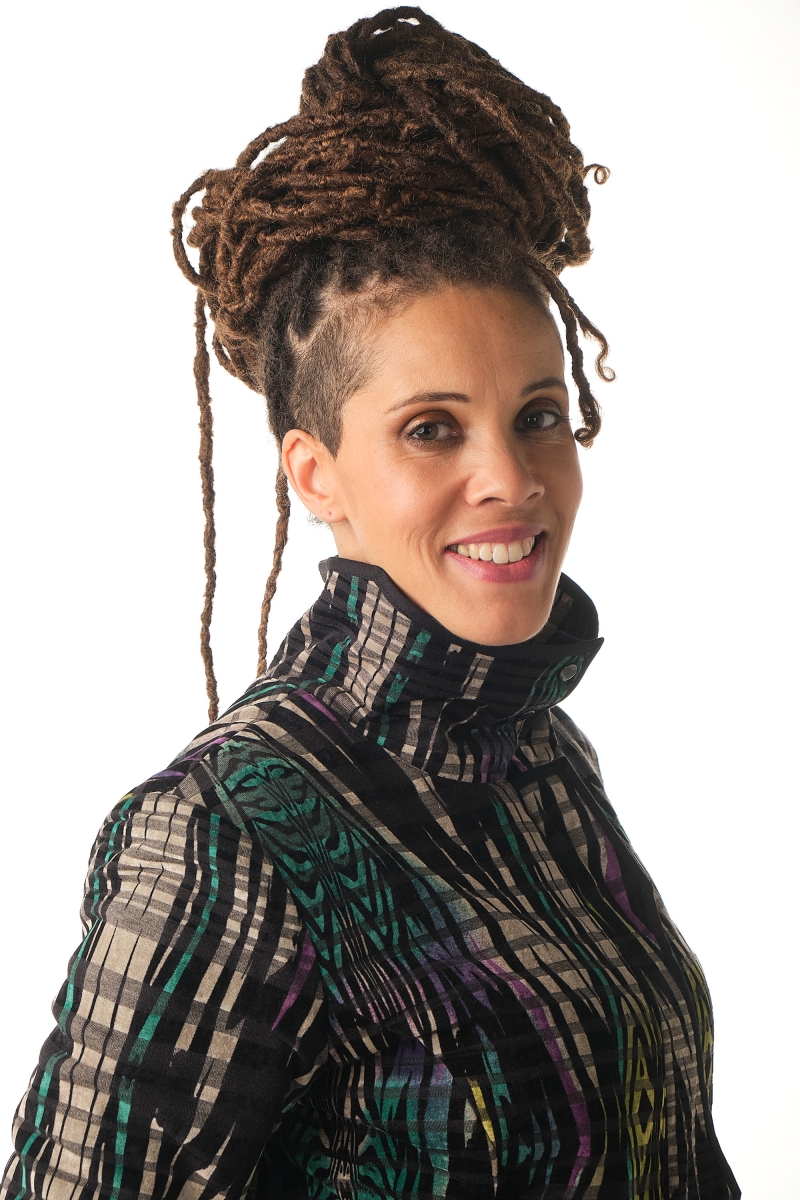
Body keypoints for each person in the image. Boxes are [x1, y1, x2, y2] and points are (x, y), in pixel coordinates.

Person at [0, 8, 740, 1199]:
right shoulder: (224, 837)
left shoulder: (545, 761)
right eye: (430, 429)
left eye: (538, 416)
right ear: (316, 474)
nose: (510, 478)